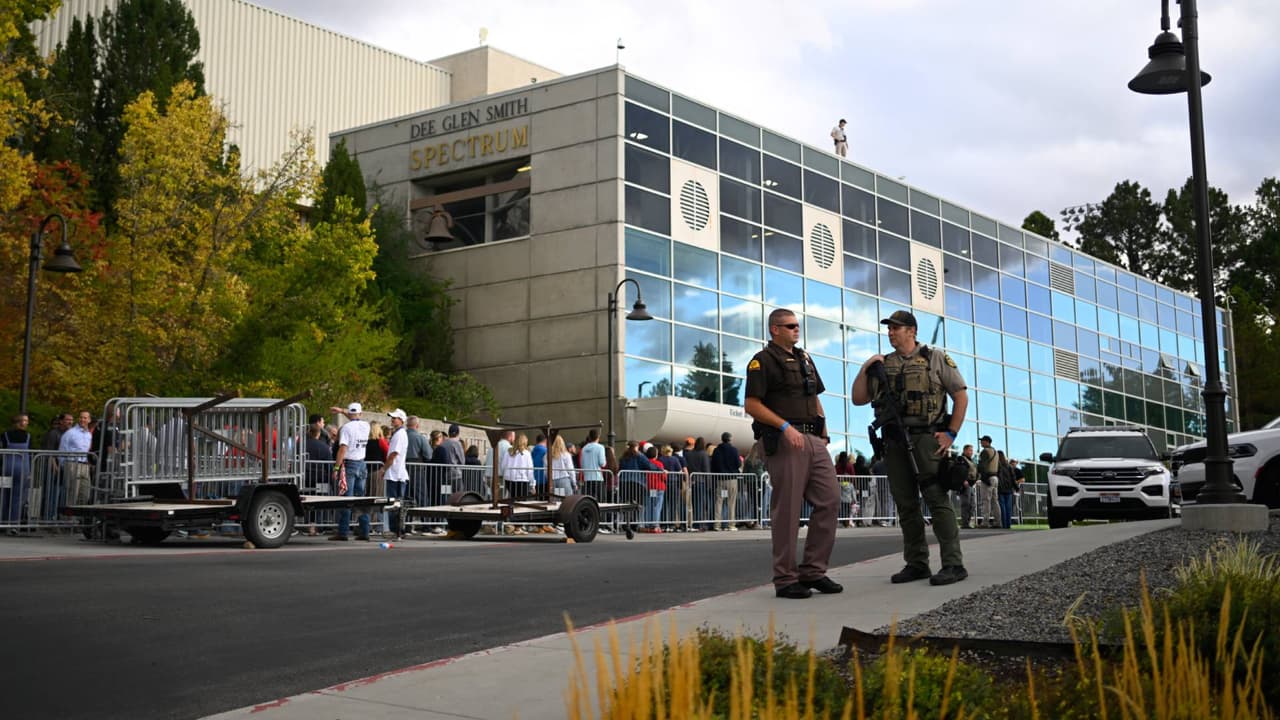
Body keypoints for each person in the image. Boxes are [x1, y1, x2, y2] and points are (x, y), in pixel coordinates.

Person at [851, 310, 969, 586]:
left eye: (896, 328)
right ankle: (917, 563)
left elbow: (960, 395)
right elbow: (858, 398)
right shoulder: (883, 364)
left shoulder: (935, 358)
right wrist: (867, 365)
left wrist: (951, 433)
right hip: (894, 442)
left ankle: (953, 563)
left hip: (927, 439)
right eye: (889, 328)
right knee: (906, 505)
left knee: (937, 499)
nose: (891, 332)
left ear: (912, 331)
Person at [744, 308, 842, 600]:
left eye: (797, 326)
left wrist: (823, 431)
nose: (796, 330)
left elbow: (814, 397)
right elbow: (751, 404)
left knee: (830, 499)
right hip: (785, 439)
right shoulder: (762, 361)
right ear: (775, 329)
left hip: (812, 438)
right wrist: (785, 426)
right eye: (790, 326)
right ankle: (785, 578)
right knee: (787, 509)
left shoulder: (805, 358)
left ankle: (813, 571)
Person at [330, 402, 371, 541]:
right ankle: (365, 531)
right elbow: (354, 417)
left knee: (346, 499)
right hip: (362, 464)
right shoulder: (366, 426)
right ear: (361, 413)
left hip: (350, 464)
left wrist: (336, 468)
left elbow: (342, 449)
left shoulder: (346, 428)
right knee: (361, 499)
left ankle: (343, 532)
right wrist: (342, 410)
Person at [58, 410, 94, 507]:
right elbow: (62, 450)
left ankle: (78, 518)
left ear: (89, 420)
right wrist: (65, 466)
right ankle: (68, 520)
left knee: (85, 494)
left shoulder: (89, 435)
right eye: (81, 417)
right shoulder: (70, 433)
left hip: (85, 465)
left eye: (85, 418)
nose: (82, 419)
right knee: (72, 493)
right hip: (72, 464)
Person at [1, 413, 32, 524]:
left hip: (7, 468)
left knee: (3, 495)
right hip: (22, 469)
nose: (27, 423)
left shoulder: (5, 435)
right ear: (21, 422)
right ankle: (13, 522)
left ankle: (2, 520)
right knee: (18, 496)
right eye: (26, 420)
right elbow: (30, 454)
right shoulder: (28, 436)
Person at [383, 409, 409, 539]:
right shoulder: (399, 433)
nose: (392, 420)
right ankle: (398, 530)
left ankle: (398, 530)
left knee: (394, 504)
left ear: (401, 420)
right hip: (396, 473)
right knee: (396, 504)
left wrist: (384, 468)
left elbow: (393, 454)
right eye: (392, 418)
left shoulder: (399, 435)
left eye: (395, 418)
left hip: (395, 474)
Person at [710, 431, 741, 531]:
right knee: (731, 502)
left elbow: (713, 464)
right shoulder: (734, 450)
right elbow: (738, 464)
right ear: (730, 439)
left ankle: (717, 525)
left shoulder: (717, 450)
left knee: (719, 502)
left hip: (721, 479)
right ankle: (731, 524)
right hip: (732, 479)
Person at [976, 435, 1000, 528]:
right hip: (995, 477)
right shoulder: (996, 452)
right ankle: (998, 522)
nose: (981, 442)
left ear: (987, 442)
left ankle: (985, 522)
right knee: (995, 501)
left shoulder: (985, 451)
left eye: (982, 441)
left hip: (987, 478)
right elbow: (999, 467)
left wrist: (983, 478)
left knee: (986, 501)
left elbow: (982, 466)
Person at [579, 429, 606, 500]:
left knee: (589, 501)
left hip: (587, 478)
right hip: (597, 478)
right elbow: (602, 463)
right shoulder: (600, 447)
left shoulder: (584, 448)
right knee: (602, 500)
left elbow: (582, 463)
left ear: (589, 437)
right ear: (598, 437)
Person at [957, 443, 979, 529]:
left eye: (972, 450)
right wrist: (963, 480)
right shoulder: (961, 459)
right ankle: (965, 523)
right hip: (965, 484)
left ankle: (968, 522)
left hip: (971, 484)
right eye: (970, 450)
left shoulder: (971, 460)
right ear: (965, 450)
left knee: (972, 505)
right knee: (966, 504)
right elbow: (959, 471)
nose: (971, 452)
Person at [996, 450, 1016, 529]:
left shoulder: (997, 466)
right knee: (1008, 508)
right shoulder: (1009, 466)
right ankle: (1008, 525)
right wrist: (1016, 487)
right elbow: (1013, 478)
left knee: (1002, 507)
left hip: (1000, 489)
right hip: (1009, 489)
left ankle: (1004, 525)